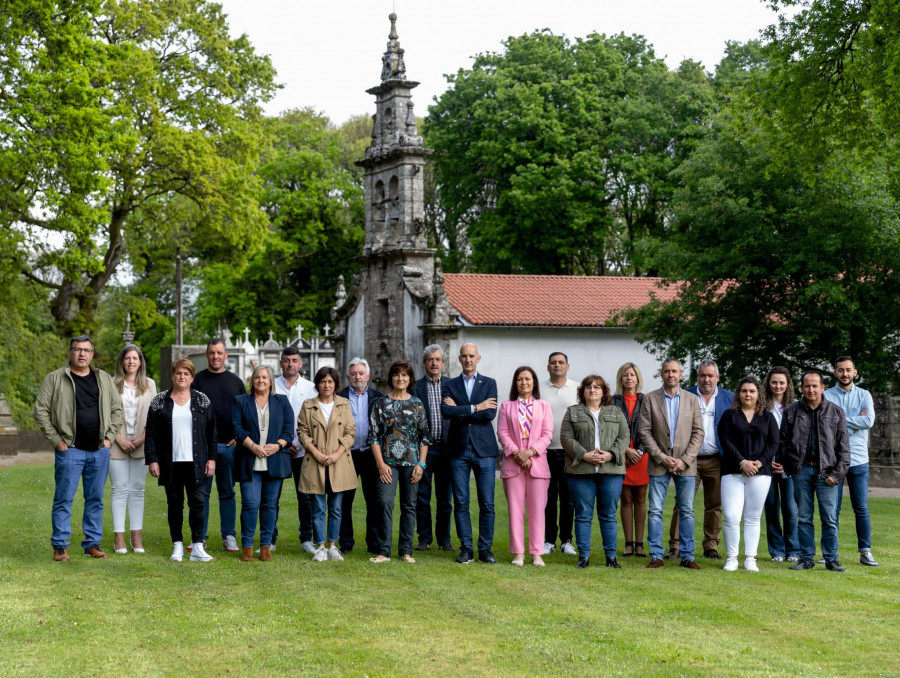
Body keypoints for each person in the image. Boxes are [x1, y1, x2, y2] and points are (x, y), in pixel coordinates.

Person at [34, 336, 123, 561]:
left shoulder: (103, 378)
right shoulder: (55, 378)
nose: (82, 354)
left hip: (99, 451)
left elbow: (116, 410)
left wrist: (109, 438)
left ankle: (92, 543)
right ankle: (60, 546)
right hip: (70, 450)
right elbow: (40, 411)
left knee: (95, 498)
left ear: (92, 354)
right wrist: (57, 441)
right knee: (64, 498)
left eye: (86, 350)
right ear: (70, 352)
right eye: (77, 350)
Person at [145, 359, 218, 562]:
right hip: (171, 462)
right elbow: (150, 432)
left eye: (186, 374)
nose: (182, 377)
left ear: (192, 377)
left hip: (197, 462)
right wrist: (152, 460)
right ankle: (177, 544)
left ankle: (197, 545)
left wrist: (212, 459)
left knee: (198, 503)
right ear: (172, 375)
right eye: (178, 373)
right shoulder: (160, 401)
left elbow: (212, 433)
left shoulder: (202, 400)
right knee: (174, 504)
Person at [778, 371, 851, 571]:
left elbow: (844, 449)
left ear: (822, 387)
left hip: (826, 473)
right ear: (802, 388)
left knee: (829, 518)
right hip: (801, 472)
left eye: (814, 386)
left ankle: (831, 559)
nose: (811, 389)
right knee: (804, 518)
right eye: (807, 386)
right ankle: (807, 559)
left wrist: (836, 475)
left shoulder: (836, 412)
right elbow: (783, 443)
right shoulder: (791, 411)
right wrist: (792, 468)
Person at [639, 358, 705, 570]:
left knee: (686, 510)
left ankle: (687, 556)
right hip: (659, 463)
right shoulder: (650, 399)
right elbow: (644, 431)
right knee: (655, 510)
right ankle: (656, 555)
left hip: (685, 464)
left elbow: (698, 432)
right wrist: (661, 457)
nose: (671, 375)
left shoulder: (692, 399)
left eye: (674, 371)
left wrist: (684, 460)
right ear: (662, 374)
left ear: (681, 374)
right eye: (667, 371)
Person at [561, 375, 630, 569]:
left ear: (604, 392)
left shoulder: (616, 412)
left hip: (611, 470)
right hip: (581, 471)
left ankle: (611, 557)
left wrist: (611, 454)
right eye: (589, 387)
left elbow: (625, 436)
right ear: (582, 391)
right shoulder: (573, 412)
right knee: (583, 514)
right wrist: (585, 455)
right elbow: (566, 438)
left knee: (608, 513)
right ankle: (584, 556)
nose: (593, 390)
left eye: (597, 387)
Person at [668, 360, 734, 560]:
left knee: (715, 504)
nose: (706, 379)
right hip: (689, 459)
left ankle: (711, 545)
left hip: (716, 459)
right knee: (683, 502)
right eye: (703, 375)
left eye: (710, 376)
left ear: (718, 378)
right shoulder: (685, 394)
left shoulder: (729, 398)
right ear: (697, 377)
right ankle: (676, 545)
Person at [441, 343, 499, 564]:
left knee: (487, 503)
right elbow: (447, 412)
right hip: (458, 449)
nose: (468, 360)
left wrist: (461, 409)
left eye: (471, 356)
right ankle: (466, 548)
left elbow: (490, 414)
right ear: (459, 358)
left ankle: (485, 549)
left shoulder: (489, 383)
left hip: (484, 450)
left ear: (479, 358)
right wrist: (476, 407)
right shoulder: (451, 384)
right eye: (464, 356)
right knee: (461, 502)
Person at [367, 361, 431, 563]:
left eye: (404, 375)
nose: (400, 379)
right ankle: (384, 551)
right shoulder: (381, 404)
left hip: (412, 463)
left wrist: (421, 464)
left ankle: (405, 550)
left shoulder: (417, 404)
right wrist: (380, 464)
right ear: (391, 378)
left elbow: (424, 438)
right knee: (385, 503)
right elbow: (374, 436)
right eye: (396, 375)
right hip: (387, 463)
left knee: (409, 505)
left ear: (410, 379)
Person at [232, 365, 294, 561]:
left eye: (265, 377)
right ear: (252, 380)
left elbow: (288, 430)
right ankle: (248, 546)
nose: (260, 380)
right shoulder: (240, 402)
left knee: (269, 505)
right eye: (257, 377)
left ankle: (266, 546)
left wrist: (277, 446)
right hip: (250, 459)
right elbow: (237, 428)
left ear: (271, 381)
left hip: (274, 460)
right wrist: (252, 446)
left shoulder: (282, 401)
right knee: (250, 504)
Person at [717, 376, 779, 572]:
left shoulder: (767, 417)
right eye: (744, 391)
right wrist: (742, 462)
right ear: (738, 393)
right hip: (732, 472)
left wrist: (759, 463)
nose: (748, 394)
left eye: (752, 391)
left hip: (760, 474)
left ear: (758, 394)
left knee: (753, 517)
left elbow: (773, 444)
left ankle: (750, 558)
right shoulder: (729, 415)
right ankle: (732, 558)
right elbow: (725, 441)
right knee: (731, 516)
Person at [297, 366, 357, 562]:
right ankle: (320, 546)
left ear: (335, 384)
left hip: (338, 462)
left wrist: (337, 453)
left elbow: (350, 432)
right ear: (318, 384)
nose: (326, 385)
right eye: (323, 381)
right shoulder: (308, 405)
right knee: (318, 507)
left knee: (337, 506)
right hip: (315, 461)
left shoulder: (344, 404)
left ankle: (333, 545)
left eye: (330, 381)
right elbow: (302, 432)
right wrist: (315, 452)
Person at [824, 356, 878, 567]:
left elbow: (869, 421)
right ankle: (830, 553)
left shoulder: (864, 395)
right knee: (831, 509)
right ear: (835, 373)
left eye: (848, 370)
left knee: (861, 508)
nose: (844, 374)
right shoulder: (826, 395)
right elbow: (824, 425)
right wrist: (855, 421)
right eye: (840, 370)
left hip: (858, 460)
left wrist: (839, 420)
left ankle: (865, 552)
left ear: (855, 372)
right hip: (833, 460)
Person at [192, 338, 246, 552]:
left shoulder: (236, 382)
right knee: (201, 493)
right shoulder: (197, 381)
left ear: (226, 356)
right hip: (204, 447)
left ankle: (229, 536)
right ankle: (200, 536)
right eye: (212, 352)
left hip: (229, 446)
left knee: (228, 492)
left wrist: (238, 436)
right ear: (207, 355)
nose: (215, 356)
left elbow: (245, 412)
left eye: (219, 353)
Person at [497, 366, 553, 566]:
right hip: (513, 465)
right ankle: (518, 553)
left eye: (528, 379)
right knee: (515, 510)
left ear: (534, 382)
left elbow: (547, 434)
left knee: (538, 511)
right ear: (515, 383)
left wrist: (529, 453)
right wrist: (518, 454)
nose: (524, 383)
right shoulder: (506, 406)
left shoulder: (544, 406)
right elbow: (502, 433)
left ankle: (536, 553)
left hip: (537, 465)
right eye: (520, 379)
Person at [109, 344, 157, 554]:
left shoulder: (149, 385)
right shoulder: (111, 384)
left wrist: (141, 439)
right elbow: (105, 414)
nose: (131, 362)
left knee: (137, 490)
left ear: (140, 362)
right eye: (127, 358)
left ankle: (136, 538)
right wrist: (119, 439)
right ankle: (118, 538)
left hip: (141, 443)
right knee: (119, 490)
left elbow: (155, 416)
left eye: (135, 358)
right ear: (122, 361)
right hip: (116, 444)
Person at [337, 358, 384, 554]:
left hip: (371, 454)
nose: (358, 377)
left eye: (361, 373)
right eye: (354, 373)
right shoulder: (338, 397)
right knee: (344, 500)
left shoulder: (378, 397)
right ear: (348, 376)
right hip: (345, 454)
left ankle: (374, 543)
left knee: (373, 500)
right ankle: (346, 543)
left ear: (368, 376)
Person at [274, 346, 318, 554]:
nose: (290, 364)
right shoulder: (271, 385)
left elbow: (314, 419)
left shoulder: (310, 388)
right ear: (281, 363)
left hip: (303, 450)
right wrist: (281, 442)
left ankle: (306, 538)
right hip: (276, 449)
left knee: (305, 496)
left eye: (294, 361)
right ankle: (269, 538)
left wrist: (300, 443)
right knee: (272, 496)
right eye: (286, 360)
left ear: (301, 364)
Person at [411, 345, 455, 552]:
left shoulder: (452, 386)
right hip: (424, 450)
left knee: (445, 497)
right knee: (422, 496)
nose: (434, 363)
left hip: (447, 449)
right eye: (430, 359)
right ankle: (424, 539)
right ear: (424, 363)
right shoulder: (415, 387)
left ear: (443, 363)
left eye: (438, 359)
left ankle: (444, 539)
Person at [541, 351, 579, 556]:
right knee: (548, 498)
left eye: (561, 362)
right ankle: (548, 541)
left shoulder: (577, 388)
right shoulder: (539, 389)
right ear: (548, 367)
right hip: (544, 451)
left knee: (568, 498)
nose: (557, 365)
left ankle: (566, 540)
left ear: (567, 366)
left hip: (569, 452)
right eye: (553, 363)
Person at [763, 367, 800, 563]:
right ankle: (776, 550)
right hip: (766, 459)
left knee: (790, 508)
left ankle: (793, 550)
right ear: (768, 383)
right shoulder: (762, 407)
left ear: (788, 385)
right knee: (771, 506)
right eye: (774, 382)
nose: (777, 386)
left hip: (789, 461)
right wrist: (767, 461)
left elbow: (798, 439)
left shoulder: (795, 406)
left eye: (781, 382)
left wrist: (786, 463)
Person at [612, 362, 647, 558]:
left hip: (642, 455)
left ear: (638, 378)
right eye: (625, 375)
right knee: (625, 499)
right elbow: (609, 430)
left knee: (640, 499)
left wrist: (639, 451)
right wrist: (625, 450)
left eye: (632, 374)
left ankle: (640, 544)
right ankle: (628, 544)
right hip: (621, 454)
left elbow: (649, 428)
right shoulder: (612, 401)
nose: (629, 378)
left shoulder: (646, 400)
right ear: (621, 378)